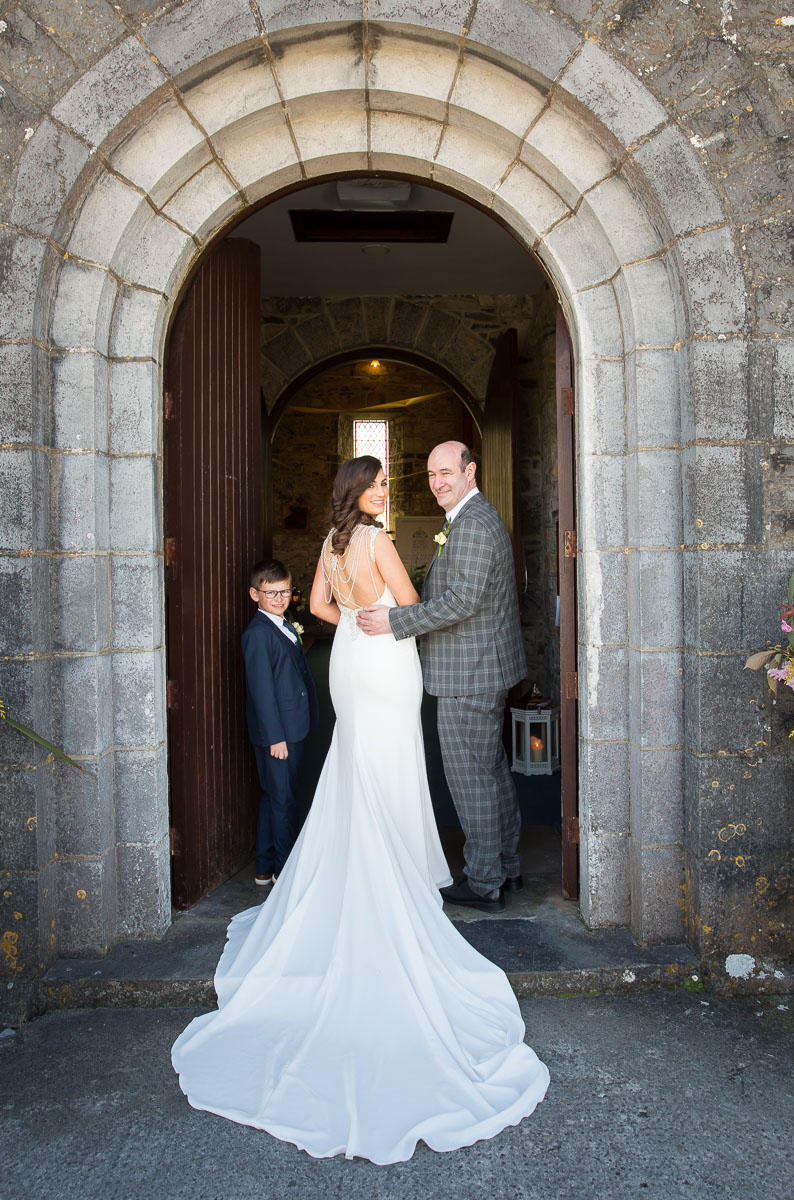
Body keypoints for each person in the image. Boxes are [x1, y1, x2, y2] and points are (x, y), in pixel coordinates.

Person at [171, 456, 549, 1164]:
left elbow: (318, 607)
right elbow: (407, 603)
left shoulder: (328, 543)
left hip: (348, 654)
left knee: (354, 762)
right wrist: (381, 616)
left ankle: (357, 863)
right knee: (393, 761)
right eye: (378, 486)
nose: (385, 492)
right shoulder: (374, 539)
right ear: (360, 493)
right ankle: (398, 872)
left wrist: (349, 617)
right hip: (384, 658)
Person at [357, 441, 526, 913]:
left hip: (468, 673)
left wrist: (395, 623)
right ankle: (507, 865)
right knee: (490, 771)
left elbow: (461, 602)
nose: (438, 483)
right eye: (431, 475)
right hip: (480, 667)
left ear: (470, 471)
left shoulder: (472, 524)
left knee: (472, 777)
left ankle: (484, 880)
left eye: (447, 472)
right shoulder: (470, 518)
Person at [241, 559, 318, 886]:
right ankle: (285, 873)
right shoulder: (258, 633)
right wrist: (275, 738)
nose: (279, 598)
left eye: (285, 591)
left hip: (292, 727)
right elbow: (261, 691)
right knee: (283, 800)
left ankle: (264, 866)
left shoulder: (283, 625)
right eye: (270, 593)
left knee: (275, 796)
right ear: (254, 594)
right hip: (279, 734)